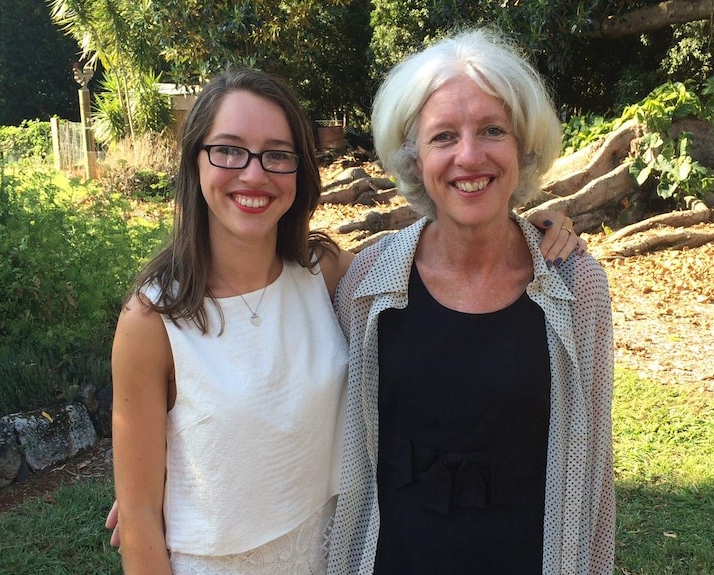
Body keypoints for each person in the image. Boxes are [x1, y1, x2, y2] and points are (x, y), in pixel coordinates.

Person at [108, 65, 583, 574]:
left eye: (277, 154)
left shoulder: (325, 274)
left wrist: (528, 224)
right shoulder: (154, 321)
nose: (253, 173)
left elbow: (437, 250)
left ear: (299, 169)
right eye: (228, 149)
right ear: (194, 161)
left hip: (333, 552)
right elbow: (138, 523)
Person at [325, 29, 615, 575]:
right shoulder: (369, 281)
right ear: (413, 159)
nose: (469, 156)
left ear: (523, 147)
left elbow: (593, 469)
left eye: (491, 130)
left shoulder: (575, 287)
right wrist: (163, 472)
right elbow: (303, 405)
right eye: (442, 137)